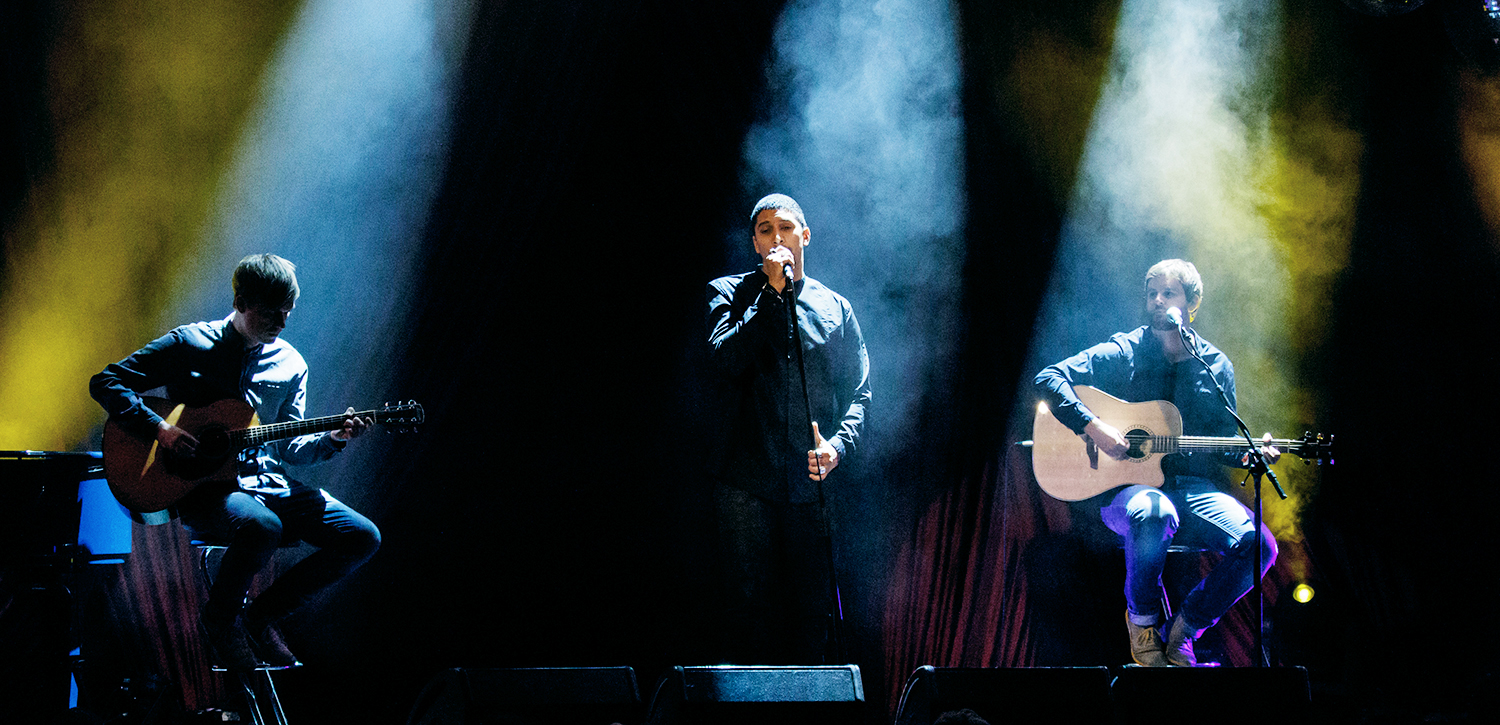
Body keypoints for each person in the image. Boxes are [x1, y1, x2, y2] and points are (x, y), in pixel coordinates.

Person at [90, 254, 381, 669]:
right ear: (241, 302)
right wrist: (159, 428)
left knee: (362, 536)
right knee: (262, 527)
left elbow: (290, 447)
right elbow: (107, 382)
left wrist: (334, 439)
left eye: (288, 312)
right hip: (207, 489)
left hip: (268, 483)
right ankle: (220, 621)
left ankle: (259, 617)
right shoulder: (190, 344)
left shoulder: (291, 364)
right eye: (271, 312)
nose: (281, 323)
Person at [1033, 259, 1277, 667]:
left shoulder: (1214, 364)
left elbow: (1224, 441)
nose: (1158, 301)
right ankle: (1143, 623)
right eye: (1152, 294)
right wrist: (1093, 426)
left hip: (1192, 492)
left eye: (1169, 294)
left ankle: (1186, 626)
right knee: (1154, 510)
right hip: (1126, 493)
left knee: (1261, 547)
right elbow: (1048, 378)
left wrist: (1249, 452)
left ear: (1192, 303)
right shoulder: (1125, 349)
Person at [705, 193, 871, 664]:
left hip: (810, 485)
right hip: (745, 482)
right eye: (765, 230)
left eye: (785, 228)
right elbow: (725, 361)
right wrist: (771, 295)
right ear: (755, 244)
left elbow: (860, 392)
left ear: (805, 236)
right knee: (749, 611)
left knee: (814, 615)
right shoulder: (727, 293)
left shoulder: (835, 307)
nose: (776, 238)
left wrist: (838, 446)